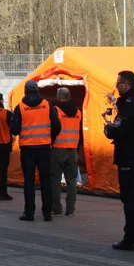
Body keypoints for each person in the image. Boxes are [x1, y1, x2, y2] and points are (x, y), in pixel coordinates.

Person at [103, 71, 134, 251]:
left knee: (130, 199)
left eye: (118, 83)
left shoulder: (130, 106)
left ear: (126, 84)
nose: (116, 87)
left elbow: (117, 129)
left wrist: (107, 128)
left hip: (129, 157)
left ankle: (130, 237)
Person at [9, 80, 61, 221]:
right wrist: (51, 138)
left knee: (29, 182)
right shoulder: (47, 105)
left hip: (28, 149)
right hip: (44, 148)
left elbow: (14, 130)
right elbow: (57, 125)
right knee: (46, 181)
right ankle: (47, 213)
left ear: (25, 91)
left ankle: (29, 213)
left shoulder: (20, 107)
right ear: (37, 90)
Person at [51, 88, 82, 217]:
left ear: (59, 96)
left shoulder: (56, 111)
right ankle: (70, 209)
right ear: (69, 97)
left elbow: (52, 129)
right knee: (71, 181)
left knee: (55, 180)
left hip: (58, 148)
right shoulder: (78, 113)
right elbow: (80, 131)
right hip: (73, 149)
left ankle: (57, 209)